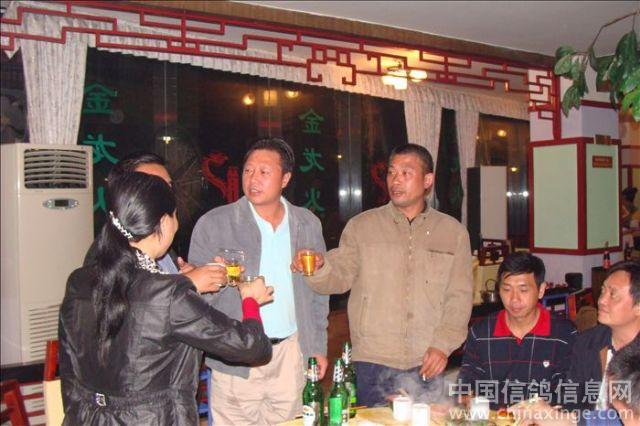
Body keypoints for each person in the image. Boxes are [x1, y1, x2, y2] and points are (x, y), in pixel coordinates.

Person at [59, 172, 273, 425]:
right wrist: (250, 300)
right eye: (175, 216)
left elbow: (69, 368)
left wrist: (186, 284)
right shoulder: (168, 294)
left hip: (85, 417)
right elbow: (252, 347)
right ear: (163, 222)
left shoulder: (79, 281)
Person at [292, 143, 473, 407]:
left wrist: (442, 345)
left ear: (427, 180)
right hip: (372, 359)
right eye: (391, 172)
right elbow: (339, 274)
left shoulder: (452, 233)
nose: (395, 180)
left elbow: (459, 297)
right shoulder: (362, 226)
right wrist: (319, 266)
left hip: (427, 359)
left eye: (406, 173)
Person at [189, 138, 329, 425]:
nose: (253, 179)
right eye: (248, 170)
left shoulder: (307, 224)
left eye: (264, 172)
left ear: (285, 179)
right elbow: (195, 303)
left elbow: (318, 295)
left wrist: (317, 348)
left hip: (290, 354)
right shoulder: (214, 224)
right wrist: (213, 279)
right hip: (236, 358)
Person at [84, 151, 227, 294]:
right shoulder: (104, 254)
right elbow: (116, 302)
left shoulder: (159, 240)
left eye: (168, 186)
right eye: (154, 187)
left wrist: (186, 275)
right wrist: (185, 284)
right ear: (126, 194)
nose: (165, 194)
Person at [457, 252, 576, 408]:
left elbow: (568, 393)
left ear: (541, 290)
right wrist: (466, 396)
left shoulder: (563, 334)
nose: (514, 299)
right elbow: (466, 384)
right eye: (507, 289)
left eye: (523, 290)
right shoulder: (481, 333)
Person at [566, 260, 640, 411]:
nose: (601, 300)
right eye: (602, 291)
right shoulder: (588, 342)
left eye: (613, 294)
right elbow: (571, 398)